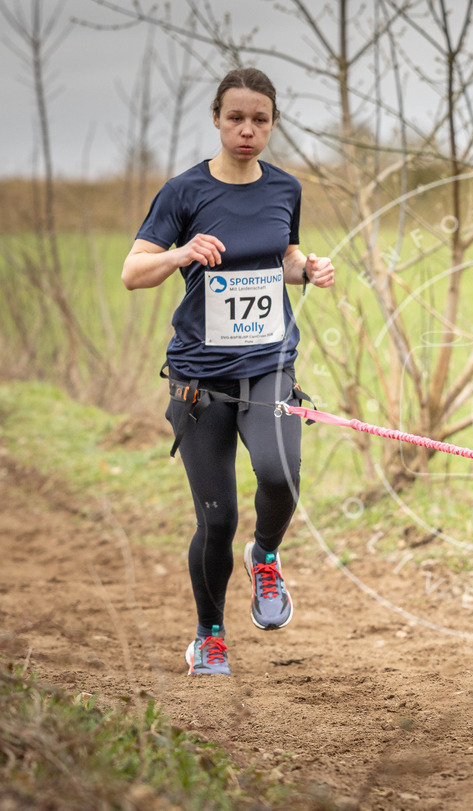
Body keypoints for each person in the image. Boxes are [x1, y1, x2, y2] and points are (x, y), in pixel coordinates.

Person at [122, 67, 335, 676]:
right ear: (216, 119)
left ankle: (264, 557)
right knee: (216, 519)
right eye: (236, 118)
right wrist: (182, 253)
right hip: (199, 382)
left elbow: (283, 257)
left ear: (272, 125)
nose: (248, 130)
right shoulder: (184, 193)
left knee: (280, 475)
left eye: (260, 120)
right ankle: (209, 634)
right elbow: (132, 272)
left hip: (269, 367)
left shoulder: (284, 188)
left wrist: (308, 268)